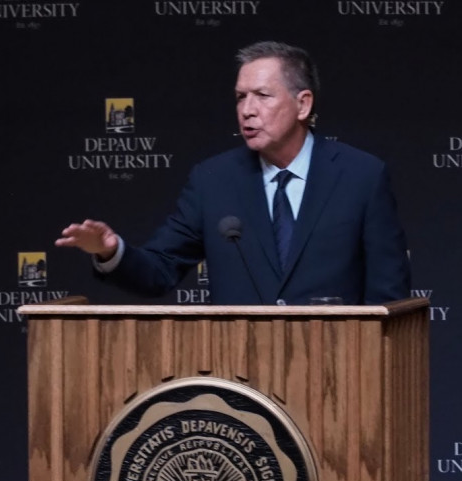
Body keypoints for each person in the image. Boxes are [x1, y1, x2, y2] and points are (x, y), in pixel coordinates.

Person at [56, 41, 410, 305]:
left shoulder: (361, 176)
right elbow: (159, 271)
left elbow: (389, 299)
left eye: (262, 95)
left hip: (339, 378)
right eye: (240, 97)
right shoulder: (214, 181)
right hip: (240, 383)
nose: (247, 110)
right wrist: (110, 250)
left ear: (303, 104)